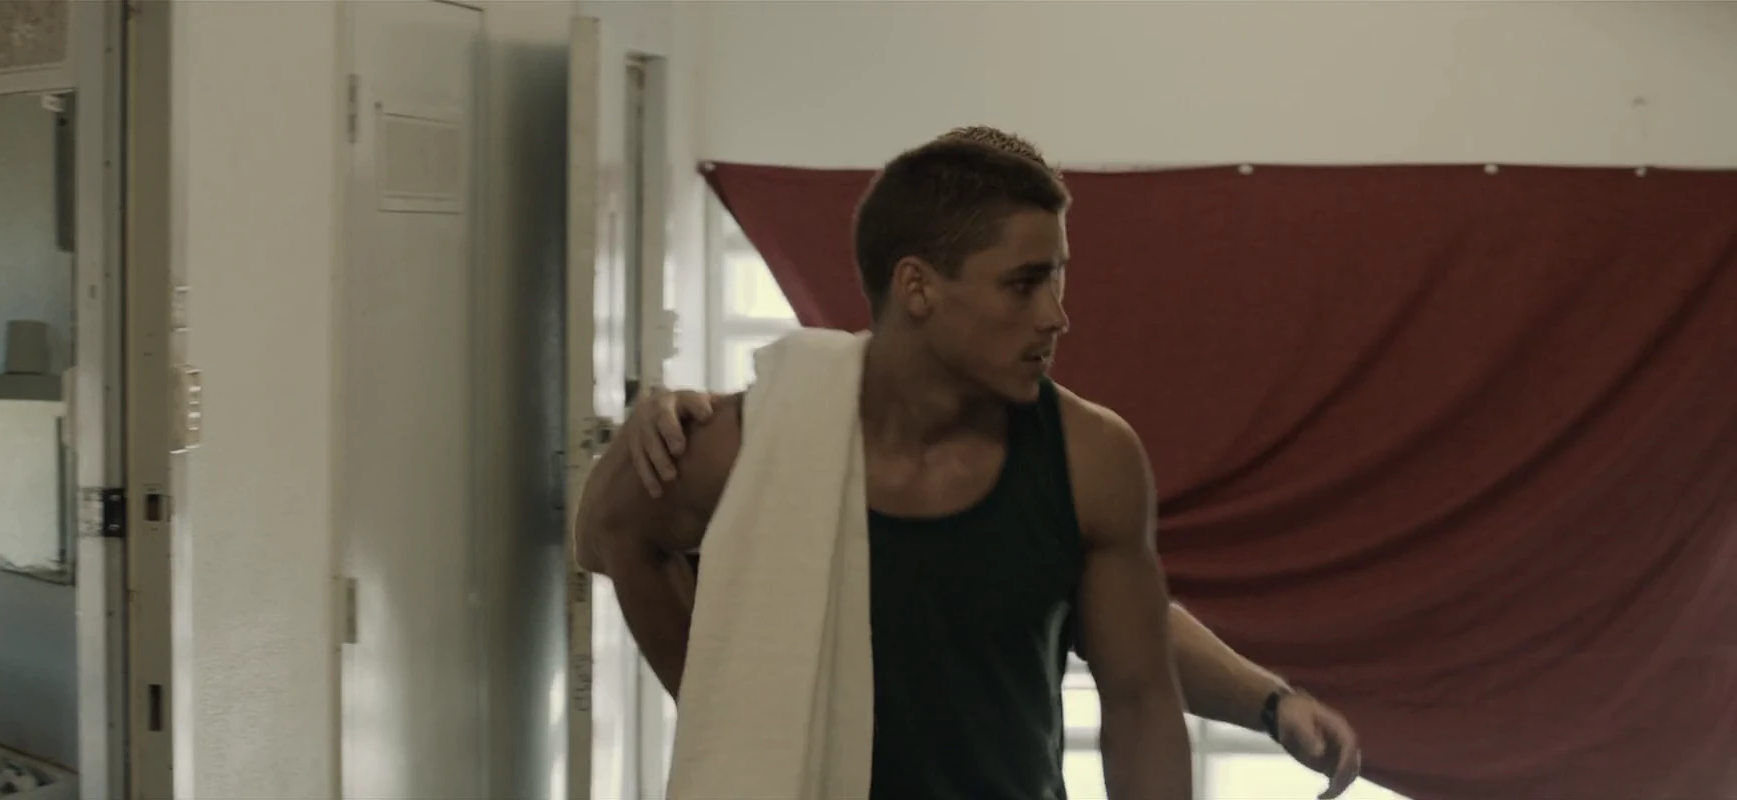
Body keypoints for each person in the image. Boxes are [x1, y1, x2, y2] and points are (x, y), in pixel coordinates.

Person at [576, 126, 1360, 800]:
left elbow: (1139, 686)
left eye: (1057, 277)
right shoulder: (770, 434)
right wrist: (722, 710)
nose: (1056, 315)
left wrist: (1269, 703)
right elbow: (608, 533)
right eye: (1023, 285)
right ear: (918, 288)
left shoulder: (1089, 457)